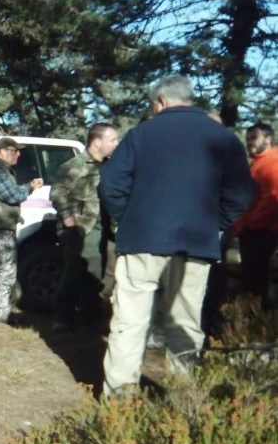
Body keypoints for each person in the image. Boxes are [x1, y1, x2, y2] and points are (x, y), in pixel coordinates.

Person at [98, 75, 255, 396]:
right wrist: (214, 223)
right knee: (184, 325)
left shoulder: (141, 134)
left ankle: (119, 400)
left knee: (129, 324)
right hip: (195, 244)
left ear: (160, 101)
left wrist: (127, 219)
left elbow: (110, 186)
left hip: (141, 241)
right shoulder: (223, 139)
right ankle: (183, 400)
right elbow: (241, 193)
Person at [50, 123, 119, 330]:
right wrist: (68, 217)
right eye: (113, 140)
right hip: (83, 228)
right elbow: (57, 194)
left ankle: (92, 317)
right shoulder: (74, 166)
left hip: (107, 227)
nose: (117, 144)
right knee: (75, 272)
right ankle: (63, 318)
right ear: (97, 142)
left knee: (101, 275)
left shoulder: (110, 166)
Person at [0, 137, 44, 323]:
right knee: (6, 270)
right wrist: (30, 187)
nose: (18, 154)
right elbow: (11, 195)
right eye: (14, 150)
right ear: (2, 152)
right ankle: (1, 315)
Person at [230, 122, 278, 310]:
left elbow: (273, 197)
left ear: (268, 139)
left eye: (254, 138)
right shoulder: (259, 162)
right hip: (255, 230)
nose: (250, 142)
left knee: (256, 281)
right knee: (253, 279)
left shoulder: (272, 163)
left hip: (262, 231)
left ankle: (258, 321)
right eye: (248, 138)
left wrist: (250, 223)